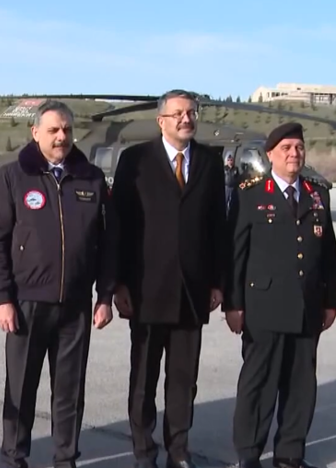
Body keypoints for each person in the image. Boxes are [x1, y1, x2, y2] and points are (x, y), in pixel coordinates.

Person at [0, 99, 118, 468]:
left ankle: (65, 459)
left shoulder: (91, 178)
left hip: (75, 306)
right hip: (26, 304)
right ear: (36, 132)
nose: (61, 137)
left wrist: (104, 296)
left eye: (67, 130)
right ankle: (14, 458)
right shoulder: (13, 177)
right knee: (21, 389)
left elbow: (109, 243)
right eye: (54, 130)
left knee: (69, 393)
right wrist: (2, 298)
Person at [111, 89, 226, 468]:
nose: (186, 119)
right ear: (161, 121)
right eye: (178, 113)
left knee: (183, 381)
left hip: (192, 292)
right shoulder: (136, 160)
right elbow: (118, 225)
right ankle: (144, 452)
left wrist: (217, 281)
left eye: (191, 112)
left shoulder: (209, 162)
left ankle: (178, 451)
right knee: (143, 379)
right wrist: (118, 283)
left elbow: (217, 226)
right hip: (146, 290)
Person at [224, 122, 336, 468]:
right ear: (270, 154)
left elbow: (327, 253)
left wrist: (331, 301)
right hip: (264, 306)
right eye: (286, 148)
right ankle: (249, 454)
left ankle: (290, 453)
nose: (294, 153)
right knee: (259, 384)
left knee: (301, 385)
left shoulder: (317, 193)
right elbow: (235, 252)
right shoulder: (251, 193)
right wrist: (233, 303)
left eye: (299, 147)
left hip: (307, 307)